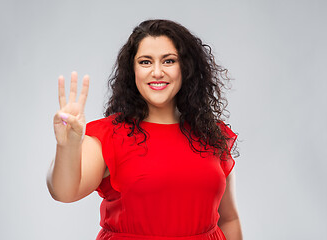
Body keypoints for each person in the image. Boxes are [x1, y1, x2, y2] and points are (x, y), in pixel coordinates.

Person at [47, 19, 243, 240]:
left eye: (169, 61)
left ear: (185, 68)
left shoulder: (212, 135)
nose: (157, 72)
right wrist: (67, 146)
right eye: (145, 62)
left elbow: (229, 219)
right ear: (133, 71)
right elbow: (63, 192)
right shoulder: (108, 135)